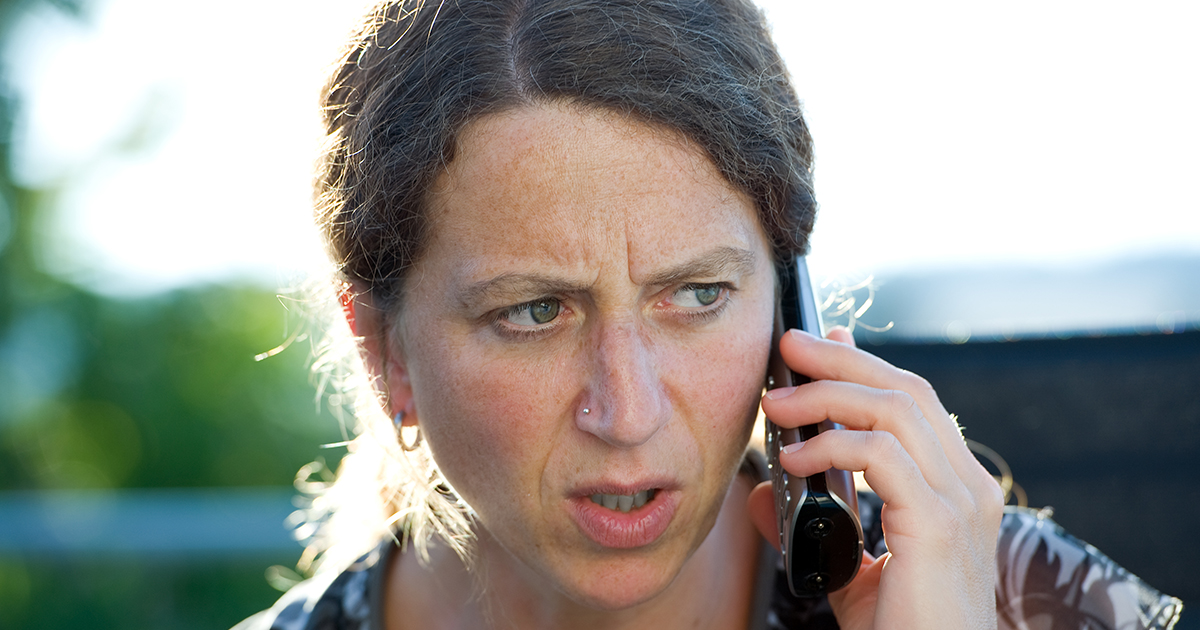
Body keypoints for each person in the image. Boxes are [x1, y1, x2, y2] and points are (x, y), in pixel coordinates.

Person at [237, 1, 1183, 628]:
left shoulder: (995, 592)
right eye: (534, 311)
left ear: (787, 303)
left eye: (696, 296)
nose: (628, 412)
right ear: (385, 352)